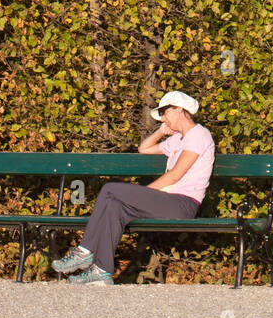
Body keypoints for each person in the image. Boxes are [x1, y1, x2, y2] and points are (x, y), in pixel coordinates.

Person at [51, 91, 215, 285]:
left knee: (110, 190)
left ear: (179, 110)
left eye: (164, 112)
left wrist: (146, 193)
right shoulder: (177, 139)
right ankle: (102, 271)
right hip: (167, 201)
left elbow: (175, 175)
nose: (162, 118)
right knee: (114, 207)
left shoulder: (198, 135)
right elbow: (143, 148)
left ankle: (85, 250)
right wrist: (161, 132)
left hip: (182, 204)